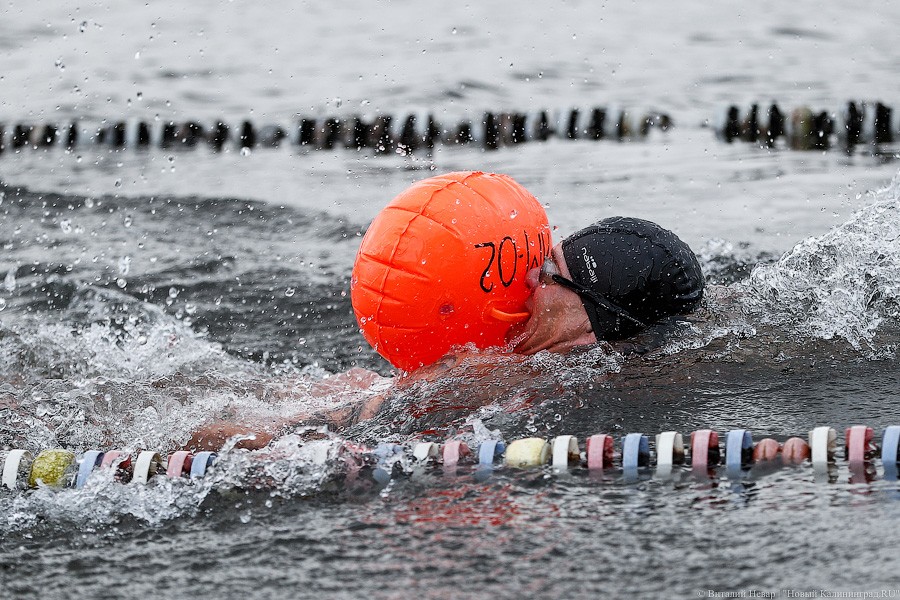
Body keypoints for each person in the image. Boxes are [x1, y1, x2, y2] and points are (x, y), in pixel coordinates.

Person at [187, 216, 712, 451]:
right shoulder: (650, 359)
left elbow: (323, 431)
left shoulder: (493, 377)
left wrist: (208, 442)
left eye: (550, 277)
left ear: (595, 323)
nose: (527, 277)